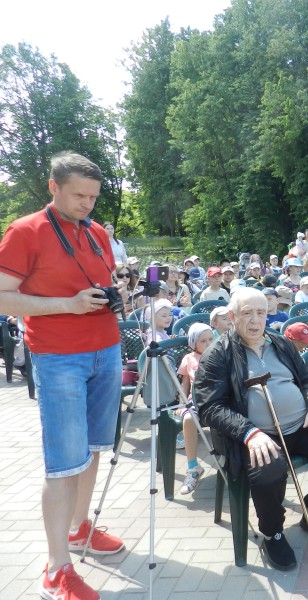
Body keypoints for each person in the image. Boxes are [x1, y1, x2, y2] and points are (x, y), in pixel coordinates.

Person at [0, 152, 126, 600]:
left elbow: (97, 285)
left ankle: (78, 528)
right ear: (53, 187)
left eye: (93, 197)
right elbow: (2, 297)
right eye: (78, 195)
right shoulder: (25, 230)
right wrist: (66, 305)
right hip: (58, 358)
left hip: (106, 350)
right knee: (62, 463)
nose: (87, 205)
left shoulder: (94, 232)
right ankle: (57, 568)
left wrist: (118, 294)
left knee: (92, 450)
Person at [194, 288, 308, 571]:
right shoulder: (218, 354)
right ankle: (273, 532)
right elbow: (210, 407)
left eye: (261, 312)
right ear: (232, 317)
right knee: (269, 468)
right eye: (247, 313)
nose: (255, 320)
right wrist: (249, 433)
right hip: (255, 436)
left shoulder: (282, 343)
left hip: (299, 425)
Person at [176, 323, 215, 494]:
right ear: (194, 344)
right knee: (189, 418)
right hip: (195, 401)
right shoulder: (189, 359)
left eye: (211, 339)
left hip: (216, 399)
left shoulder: (218, 354)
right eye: (203, 341)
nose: (208, 344)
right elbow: (185, 384)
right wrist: (182, 402)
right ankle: (193, 467)